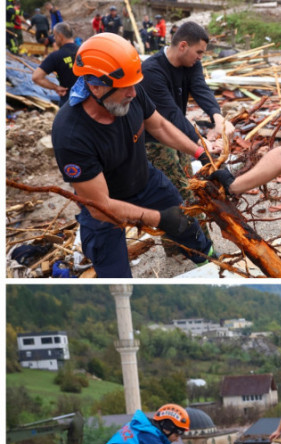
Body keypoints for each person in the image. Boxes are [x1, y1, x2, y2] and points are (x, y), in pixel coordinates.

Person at [52, 33, 216, 278]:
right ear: (95, 86)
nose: (133, 93)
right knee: (113, 270)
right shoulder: (71, 133)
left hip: (145, 179)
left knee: (188, 226)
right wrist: (159, 218)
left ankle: (212, 264)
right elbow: (100, 206)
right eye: (125, 88)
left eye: (133, 84)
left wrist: (200, 153)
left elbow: (159, 126)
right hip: (104, 203)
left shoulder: (130, 88)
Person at [141, 21, 228, 201]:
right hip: (156, 142)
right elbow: (171, 113)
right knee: (180, 194)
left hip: (178, 134)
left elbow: (200, 88)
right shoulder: (152, 71)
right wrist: (200, 142)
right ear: (183, 46)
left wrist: (218, 118)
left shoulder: (191, 64)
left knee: (189, 182)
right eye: (199, 52)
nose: (200, 58)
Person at [32, 22, 77, 106]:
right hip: (89, 102)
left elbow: (36, 77)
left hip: (68, 102)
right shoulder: (84, 51)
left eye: (55, 35)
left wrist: (56, 87)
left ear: (60, 36)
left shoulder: (56, 56)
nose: (54, 38)